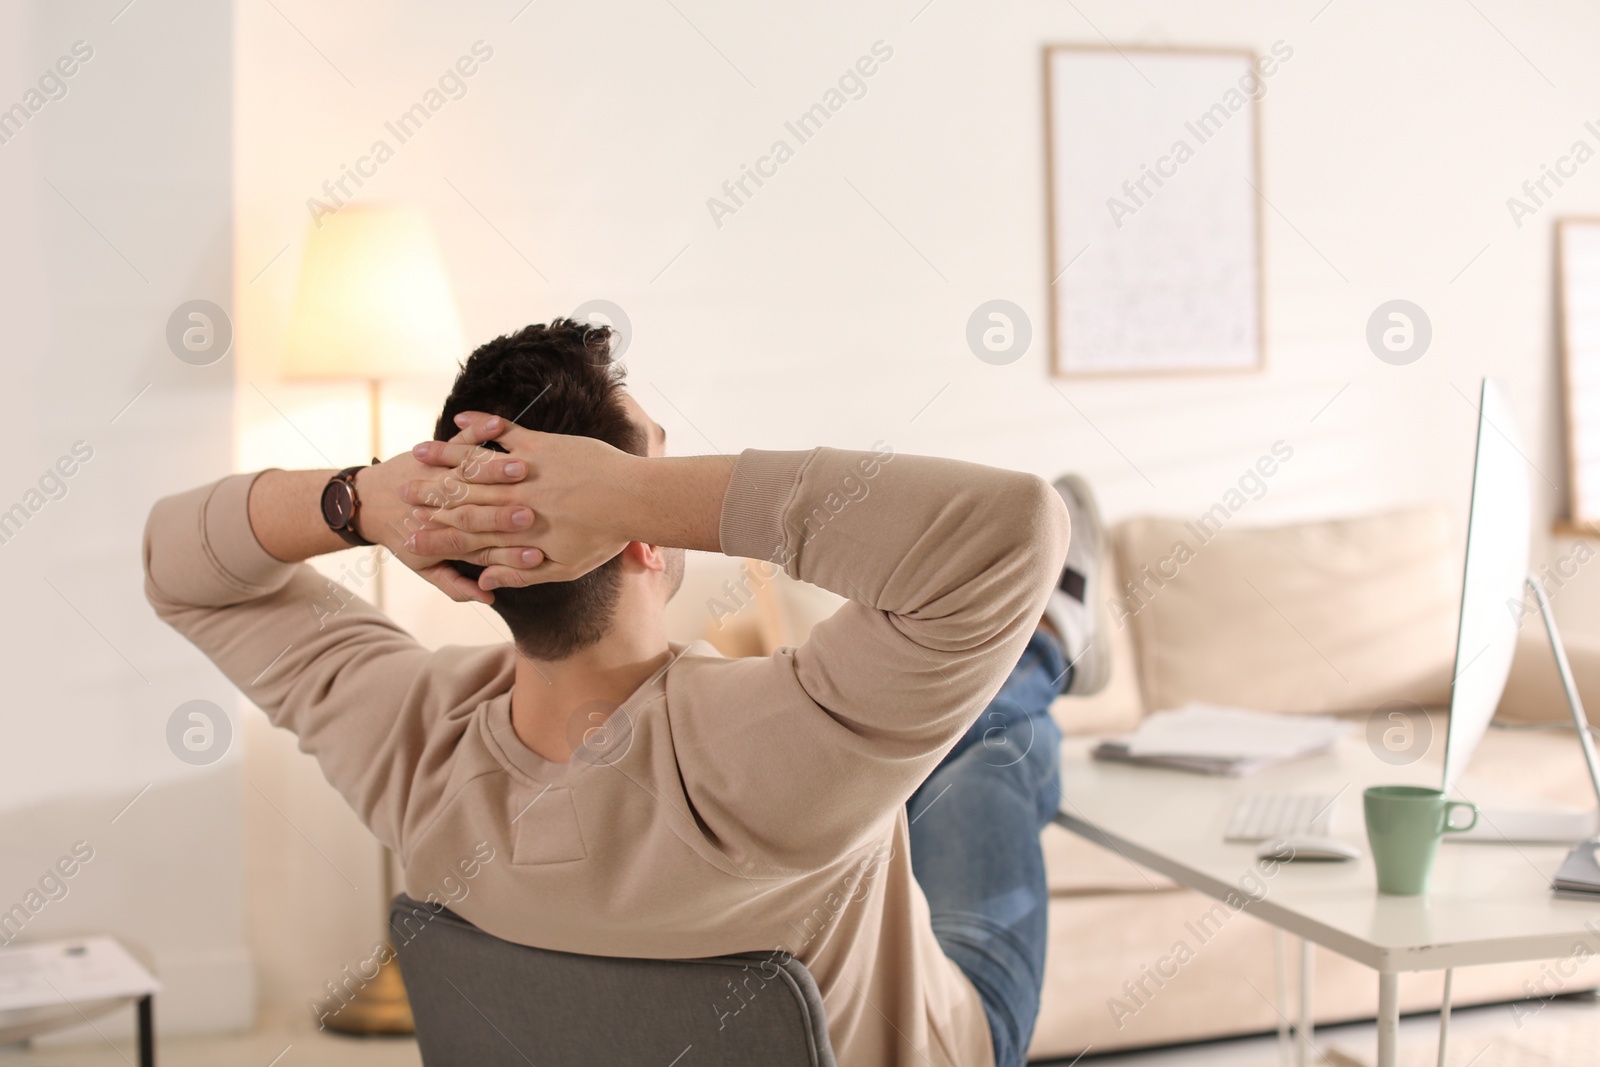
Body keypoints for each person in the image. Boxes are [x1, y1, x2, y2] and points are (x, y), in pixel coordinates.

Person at [143, 319, 1107, 1067]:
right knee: (988, 739)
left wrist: (358, 499)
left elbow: (177, 561)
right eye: (642, 470)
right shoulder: (788, 735)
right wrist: (624, 493)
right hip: (953, 1038)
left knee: (964, 722)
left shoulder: (413, 742)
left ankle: (1038, 656)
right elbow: (1017, 527)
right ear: (639, 534)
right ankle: (1048, 647)